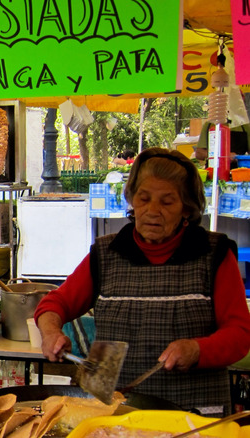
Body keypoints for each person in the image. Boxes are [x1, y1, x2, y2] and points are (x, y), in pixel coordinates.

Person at [34, 147, 250, 416]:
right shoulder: (106, 253)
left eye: (167, 201)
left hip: (191, 412)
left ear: (187, 208)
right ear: (132, 201)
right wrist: (51, 332)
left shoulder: (213, 254)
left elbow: (240, 334)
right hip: (109, 409)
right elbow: (55, 303)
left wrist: (197, 350)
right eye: (143, 199)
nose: (152, 211)